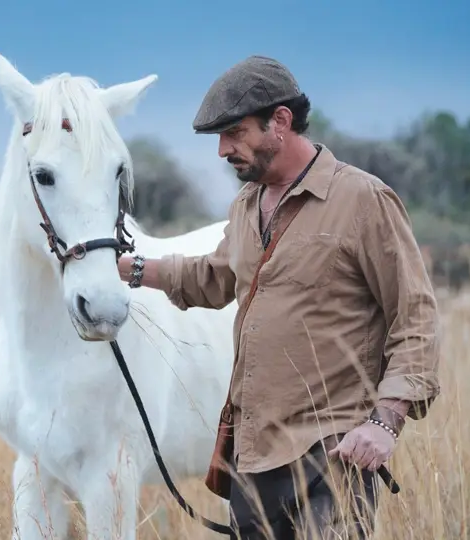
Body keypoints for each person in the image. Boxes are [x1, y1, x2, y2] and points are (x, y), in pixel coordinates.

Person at [118, 55, 442, 539]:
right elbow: (215, 276)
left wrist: (384, 424)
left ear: (281, 122)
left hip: (331, 454)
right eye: (219, 138)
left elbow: (414, 317)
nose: (224, 150)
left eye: (235, 133)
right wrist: (136, 268)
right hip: (252, 455)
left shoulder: (362, 199)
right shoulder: (247, 206)